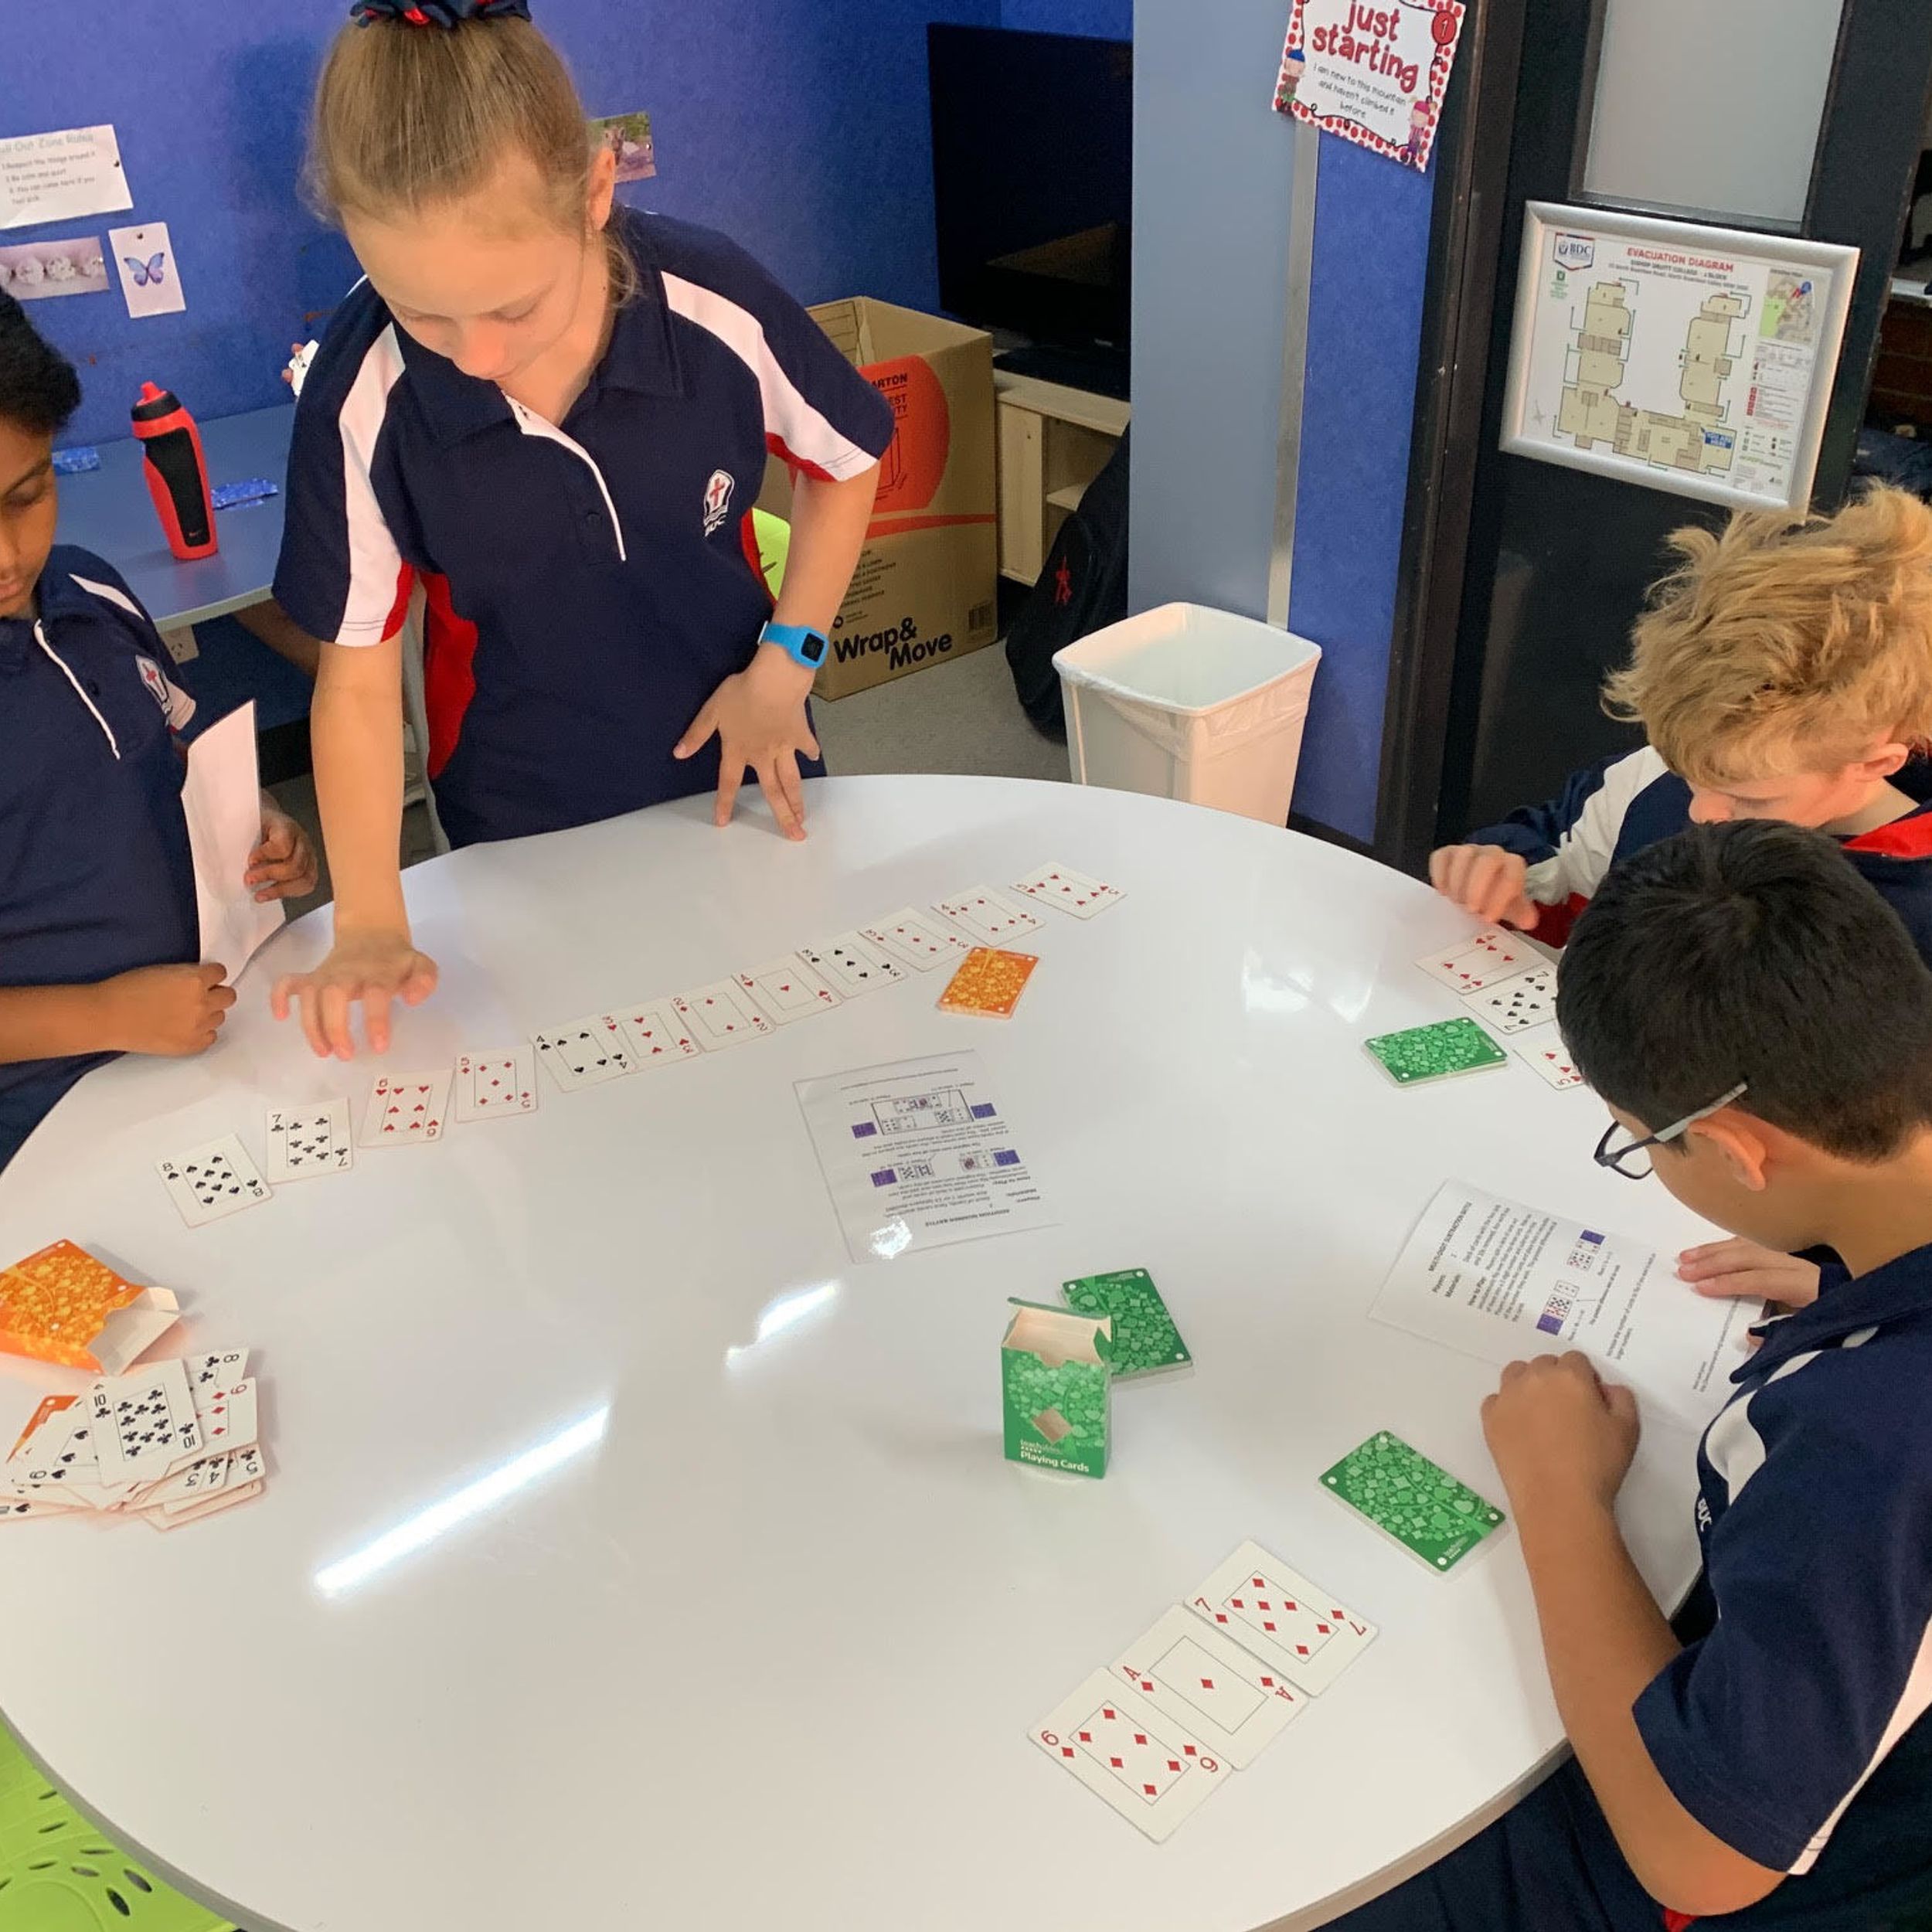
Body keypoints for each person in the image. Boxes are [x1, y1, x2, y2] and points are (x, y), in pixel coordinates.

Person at [1333, 820, 1932, 1931]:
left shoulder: (1864, 1445)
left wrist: (1560, 1494)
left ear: (1739, 1149)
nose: (1641, 1161)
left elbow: (1700, 1863)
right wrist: (1843, 1271)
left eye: (1637, 1143)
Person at [270, 0, 893, 1062]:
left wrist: (788, 663)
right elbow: (359, 681)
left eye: (514, 308)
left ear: (598, 191)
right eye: (422, 313)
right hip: (520, 804)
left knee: (785, 1051)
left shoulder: (711, 300)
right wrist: (368, 918)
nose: (473, 358)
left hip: (741, 753)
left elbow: (848, 464)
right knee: (580, 1074)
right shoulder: (361, 389)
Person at [0, 295, 316, 1171]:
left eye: (26, 497)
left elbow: (178, 738)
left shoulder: (90, 593)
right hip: (49, 1118)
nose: (6, 557)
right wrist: (102, 1014)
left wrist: (258, 820)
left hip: (213, 1027)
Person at [1430, 487, 1932, 960]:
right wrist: (1498, 872)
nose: (1701, 812)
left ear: (1875, 763)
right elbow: (1553, 858)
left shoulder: (1914, 914)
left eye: (1751, 800)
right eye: (1686, 775)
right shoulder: (1657, 777)